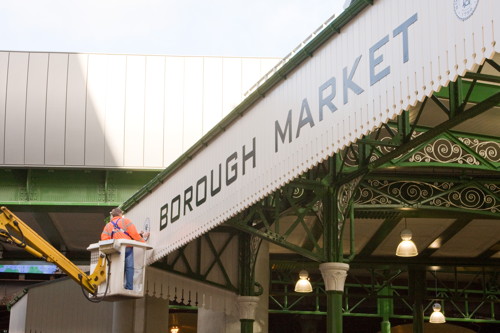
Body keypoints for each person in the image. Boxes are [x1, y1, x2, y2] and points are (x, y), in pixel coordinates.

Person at [100, 207, 149, 290]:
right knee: (129, 268)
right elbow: (133, 235)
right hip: (128, 248)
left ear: (112, 215)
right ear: (120, 214)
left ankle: (117, 287)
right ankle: (129, 287)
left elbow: (104, 239)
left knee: (117, 268)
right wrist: (144, 242)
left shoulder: (108, 226)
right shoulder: (126, 221)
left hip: (116, 250)